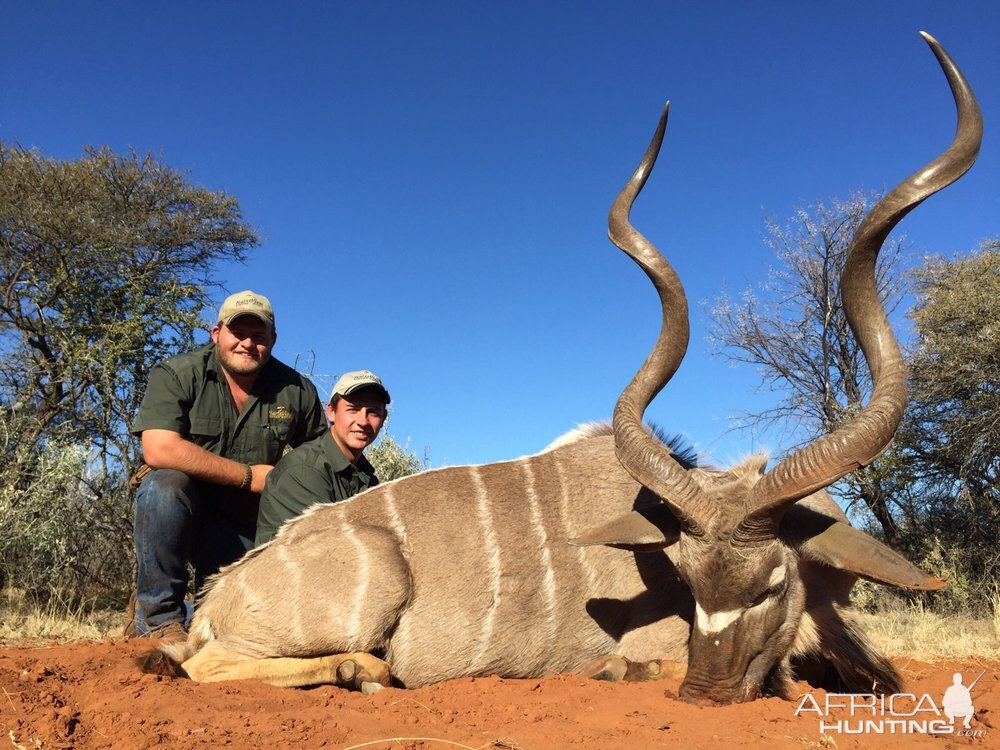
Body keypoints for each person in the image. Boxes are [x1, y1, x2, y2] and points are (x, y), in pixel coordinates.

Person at [129, 290, 326, 639]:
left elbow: (318, 460)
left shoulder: (297, 390)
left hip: (243, 523)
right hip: (185, 513)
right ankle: (159, 619)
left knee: (237, 620)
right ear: (217, 333)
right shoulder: (177, 373)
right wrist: (250, 476)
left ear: (273, 340)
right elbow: (159, 449)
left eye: (259, 336)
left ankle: (178, 613)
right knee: (163, 487)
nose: (248, 343)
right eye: (238, 332)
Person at [254, 370, 390, 546]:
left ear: (383, 418)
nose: (363, 421)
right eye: (353, 409)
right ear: (331, 412)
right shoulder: (304, 470)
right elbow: (326, 551)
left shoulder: (367, 478)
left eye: (373, 412)